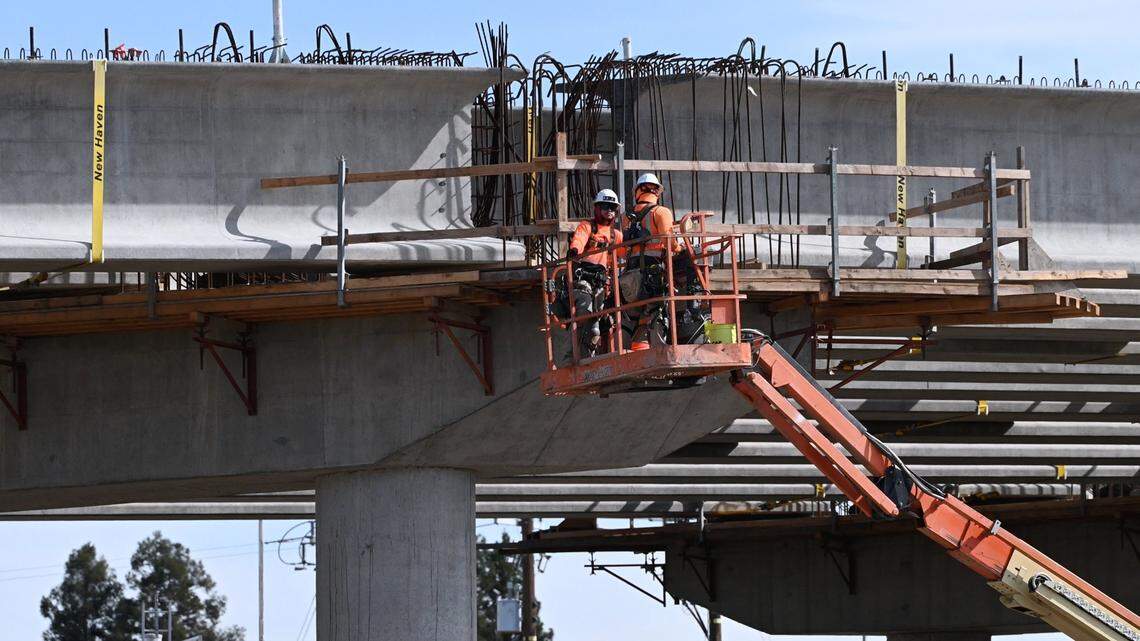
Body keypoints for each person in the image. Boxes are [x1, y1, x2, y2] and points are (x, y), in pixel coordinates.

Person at [622, 173, 707, 349]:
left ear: (638, 191)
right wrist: (681, 248)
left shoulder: (626, 216)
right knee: (657, 309)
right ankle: (692, 311)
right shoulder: (661, 212)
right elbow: (670, 242)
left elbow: (624, 248)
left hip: (631, 271)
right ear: (656, 192)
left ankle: (638, 342)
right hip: (652, 271)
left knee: (640, 310)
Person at [562, 189, 623, 357]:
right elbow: (580, 238)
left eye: (612, 207)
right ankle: (572, 353)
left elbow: (625, 253)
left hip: (601, 283)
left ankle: (590, 355)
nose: (609, 211)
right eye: (605, 206)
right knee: (584, 311)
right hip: (583, 278)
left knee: (600, 321)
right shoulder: (587, 226)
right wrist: (574, 250)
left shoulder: (615, 235)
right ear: (597, 208)